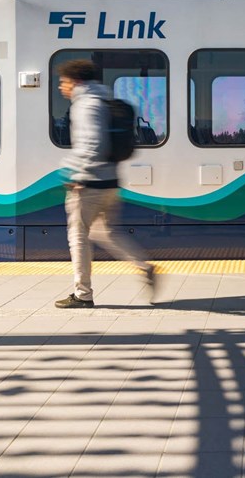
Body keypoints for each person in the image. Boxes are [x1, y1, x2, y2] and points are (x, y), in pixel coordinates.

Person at [54, 59, 154, 309]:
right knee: (105, 232)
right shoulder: (105, 101)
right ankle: (144, 266)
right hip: (111, 182)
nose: (60, 87)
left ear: (75, 82)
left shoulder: (85, 105)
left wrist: (75, 173)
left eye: (63, 82)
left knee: (78, 237)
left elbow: (93, 144)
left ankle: (82, 294)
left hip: (89, 184)